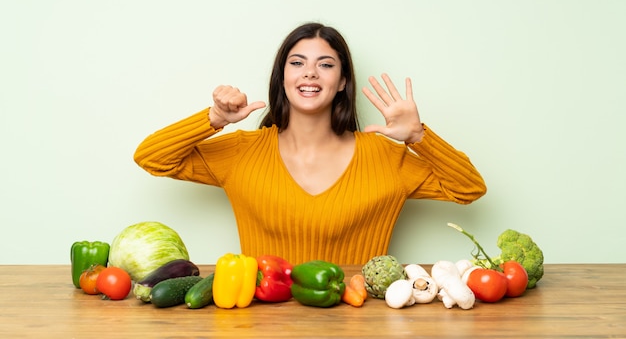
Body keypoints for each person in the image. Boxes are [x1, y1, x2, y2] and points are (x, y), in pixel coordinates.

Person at [134, 22, 486, 265]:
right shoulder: (243, 152)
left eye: (326, 64)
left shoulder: (384, 156)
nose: (310, 73)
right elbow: (151, 157)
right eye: (297, 62)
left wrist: (418, 137)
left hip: (361, 324)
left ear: (343, 81)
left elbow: (469, 188)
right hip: (259, 321)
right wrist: (213, 119)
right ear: (283, 77)